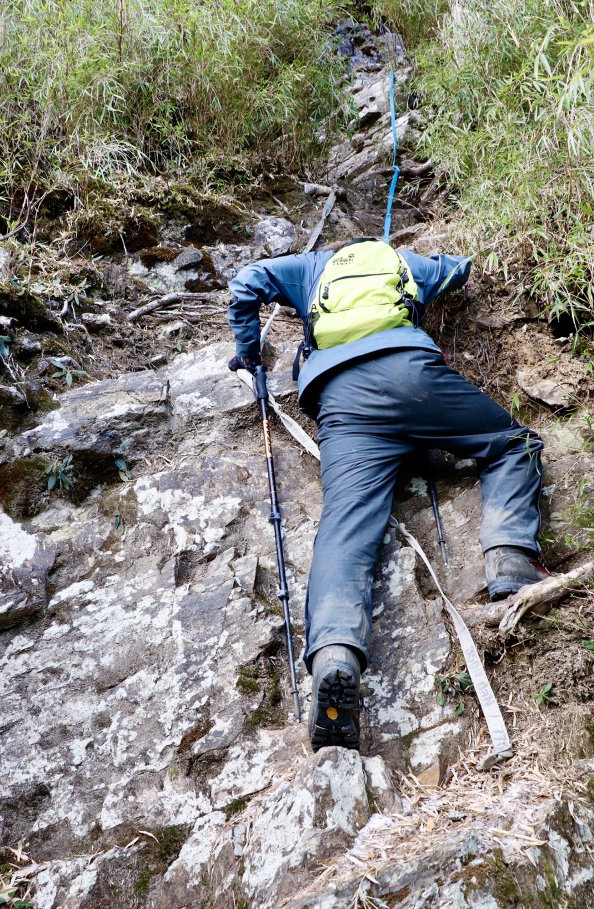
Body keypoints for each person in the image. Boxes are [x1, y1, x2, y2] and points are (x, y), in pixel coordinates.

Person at [227, 240, 547, 753]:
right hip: (413, 375)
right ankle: (509, 557)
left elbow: (246, 284)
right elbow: (460, 270)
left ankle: (335, 657)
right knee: (513, 444)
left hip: (343, 401)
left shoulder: (309, 267)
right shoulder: (405, 262)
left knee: (345, 531)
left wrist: (247, 351)